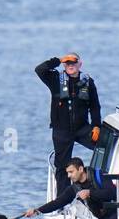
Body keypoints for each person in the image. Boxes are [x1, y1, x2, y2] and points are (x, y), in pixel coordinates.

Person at [35, 53, 102, 190]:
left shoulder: (88, 82)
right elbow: (39, 70)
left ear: (80, 64)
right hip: (61, 130)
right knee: (61, 166)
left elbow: (95, 106)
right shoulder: (55, 79)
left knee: (104, 147)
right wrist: (58, 60)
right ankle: (63, 200)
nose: (70, 65)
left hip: (82, 128)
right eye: (67, 63)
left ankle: (101, 184)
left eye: (73, 62)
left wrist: (96, 126)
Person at [24, 159, 118, 219]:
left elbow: (113, 193)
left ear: (80, 169)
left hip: (116, 213)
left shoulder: (99, 175)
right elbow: (58, 202)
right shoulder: (74, 188)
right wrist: (37, 210)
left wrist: (90, 193)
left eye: (71, 172)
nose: (68, 176)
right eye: (67, 173)